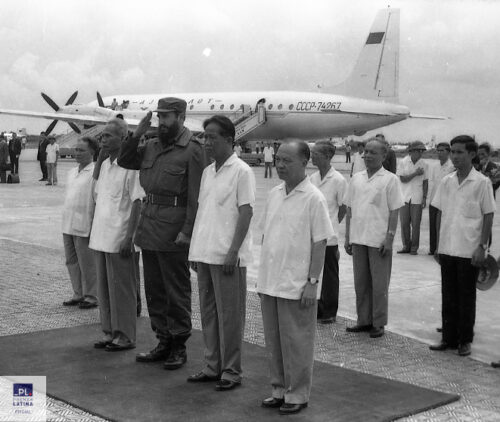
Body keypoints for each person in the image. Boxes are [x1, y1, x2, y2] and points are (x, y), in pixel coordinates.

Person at [118, 97, 204, 369]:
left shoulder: (192, 150)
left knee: (175, 290)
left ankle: (179, 345)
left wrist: (188, 231)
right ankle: (162, 340)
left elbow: (196, 196)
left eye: (166, 116)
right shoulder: (152, 144)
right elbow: (125, 159)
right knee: (154, 289)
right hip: (150, 226)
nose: (161, 121)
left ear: (181, 116)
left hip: (174, 230)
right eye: (159, 116)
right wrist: (138, 133)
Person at [257, 141, 334, 415]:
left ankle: (298, 393)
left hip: (297, 284)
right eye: (278, 159)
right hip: (271, 282)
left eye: (287, 160)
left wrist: (313, 283)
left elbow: (320, 243)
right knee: (274, 341)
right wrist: (262, 279)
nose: (280, 164)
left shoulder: (314, 198)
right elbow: (267, 238)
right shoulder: (275, 193)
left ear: (305, 162)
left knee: (297, 343)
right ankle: (279, 389)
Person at [188, 116, 255, 391]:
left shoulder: (242, 171)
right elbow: (204, 213)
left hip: (228, 257)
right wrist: (195, 249)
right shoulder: (207, 172)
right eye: (204, 137)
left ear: (229, 139)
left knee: (230, 316)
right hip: (205, 253)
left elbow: (246, 212)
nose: (206, 142)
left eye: (212, 137)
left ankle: (231, 370)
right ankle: (212, 365)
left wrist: (233, 251)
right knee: (209, 314)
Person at [430, 135, 495, 357]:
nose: (455, 156)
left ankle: (465, 340)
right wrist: (438, 245)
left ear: (472, 154)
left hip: (469, 249)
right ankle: (448, 338)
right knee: (448, 295)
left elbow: (488, 215)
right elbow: (439, 212)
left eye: (459, 152)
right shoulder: (447, 181)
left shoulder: (482, 182)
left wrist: (482, 246)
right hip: (448, 246)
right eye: (453, 152)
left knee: (466, 296)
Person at [89, 118, 145, 352]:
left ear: (123, 138)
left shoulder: (130, 167)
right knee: (104, 290)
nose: (102, 139)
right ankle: (110, 331)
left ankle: (125, 335)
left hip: (120, 238)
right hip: (101, 236)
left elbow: (138, 203)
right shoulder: (104, 166)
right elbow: (97, 196)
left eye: (108, 136)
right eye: (101, 136)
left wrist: (129, 237)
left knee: (122, 290)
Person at [344, 139, 404, 338]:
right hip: (358, 238)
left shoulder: (390, 180)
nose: (367, 155)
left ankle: (378, 322)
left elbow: (395, 211)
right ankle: (363, 320)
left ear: (384, 156)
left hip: (379, 240)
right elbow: (349, 209)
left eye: (373, 152)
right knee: (360, 283)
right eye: (366, 152)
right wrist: (347, 237)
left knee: (379, 285)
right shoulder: (357, 178)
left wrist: (389, 239)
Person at [310, 140, 347, 324]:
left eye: (315, 153)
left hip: (329, 237)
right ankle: (317, 308)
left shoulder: (339, 180)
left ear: (327, 156)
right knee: (314, 273)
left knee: (330, 276)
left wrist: (331, 225)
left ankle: (330, 312)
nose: (312, 155)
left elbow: (343, 208)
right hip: (314, 236)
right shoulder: (312, 178)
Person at [62, 136, 99, 309]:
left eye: (81, 150)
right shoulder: (71, 173)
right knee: (71, 261)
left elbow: (97, 200)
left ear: (92, 152)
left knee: (87, 263)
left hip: (84, 223)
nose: (77, 153)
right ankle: (78, 293)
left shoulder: (95, 173)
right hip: (68, 223)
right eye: (76, 150)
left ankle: (92, 296)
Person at [397, 140, 428, 255]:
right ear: (412, 151)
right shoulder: (403, 162)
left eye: (422, 151)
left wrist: (424, 197)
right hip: (404, 197)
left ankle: (414, 248)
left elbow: (425, 182)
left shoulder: (424, 164)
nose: (421, 153)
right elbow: (403, 179)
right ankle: (406, 246)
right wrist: (415, 173)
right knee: (404, 223)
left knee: (416, 225)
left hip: (417, 198)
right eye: (419, 151)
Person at [428, 142, 454, 255]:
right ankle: (433, 249)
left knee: (443, 226)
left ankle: (442, 249)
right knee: (433, 226)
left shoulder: (452, 167)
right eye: (438, 150)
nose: (439, 153)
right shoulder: (434, 166)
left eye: (442, 150)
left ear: (448, 152)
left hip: (446, 202)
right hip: (434, 200)